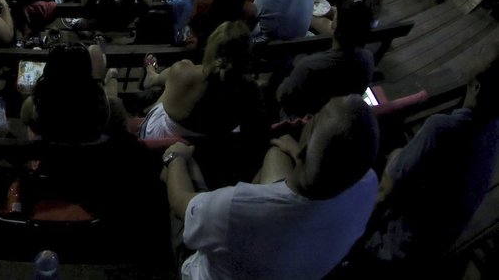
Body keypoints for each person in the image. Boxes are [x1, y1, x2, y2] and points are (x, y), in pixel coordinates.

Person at [162, 94, 380, 280]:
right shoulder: (368, 183)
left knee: (178, 168)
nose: (309, 118)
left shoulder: (236, 207)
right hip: (290, 262)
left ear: (306, 151)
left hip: (204, 270)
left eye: (315, 120)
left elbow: (180, 199)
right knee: (277, 153)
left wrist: (175, 157)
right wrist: (298, 152)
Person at [360, 52, 499, 270]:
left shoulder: (441, 128)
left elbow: (388, 188)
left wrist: (396, 156)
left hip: (397, 247)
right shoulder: (492, 129)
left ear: (478, 86)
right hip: (438, 239)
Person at [140, 21, 264, 144]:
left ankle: (153, 77)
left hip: (162, 139)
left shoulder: (184, 71)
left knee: (180, 72)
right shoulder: (250, 89)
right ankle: (155, 81)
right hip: (210, 147)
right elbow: (253, 130)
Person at [274, 0, 376, 118]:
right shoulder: (368, 59)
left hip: (302, 121)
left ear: (334, 24)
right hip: (335, 117)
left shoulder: (309, 66)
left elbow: (281, 96)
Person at [21, 42, 127, 143]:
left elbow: (25, 119)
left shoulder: (34, 104)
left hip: (52, 157)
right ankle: (113, 74)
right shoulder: (104, 106)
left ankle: (112, 74)